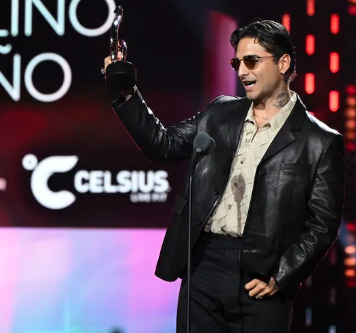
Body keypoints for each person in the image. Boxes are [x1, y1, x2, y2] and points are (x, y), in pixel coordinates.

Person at [103, 19, 345, 333]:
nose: (242, 71)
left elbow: (323, 224)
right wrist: (127, 92)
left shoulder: (319, 141)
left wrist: (283, 275)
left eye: (252, 61)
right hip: (203, 266)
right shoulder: (220, 113)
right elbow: (162, 144)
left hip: (261, 278)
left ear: (283, 63)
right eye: (237, 63)